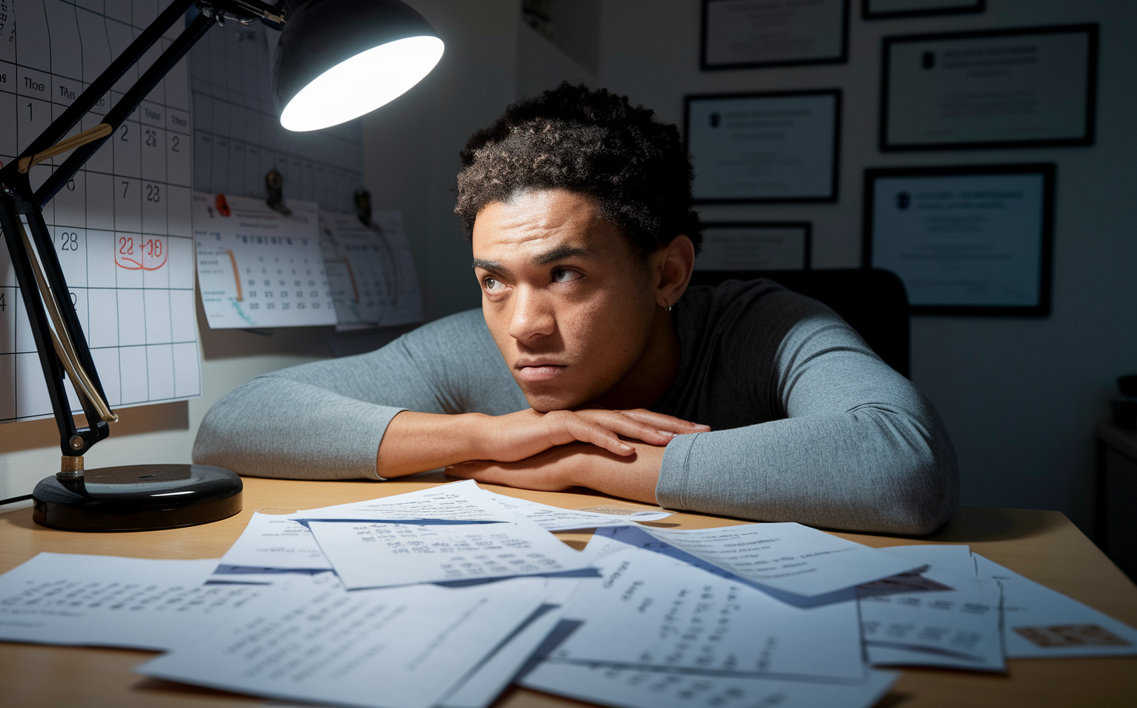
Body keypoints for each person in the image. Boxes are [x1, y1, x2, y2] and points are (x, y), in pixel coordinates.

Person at [194, 84, 959, 535]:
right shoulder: (470, 347)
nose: (523, 324)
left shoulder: (766, 327)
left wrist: (575, 462)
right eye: (494, 279)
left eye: (562, 274)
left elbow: (903, 470)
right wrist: (490, 435)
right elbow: (236, 424)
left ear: (668, 272)